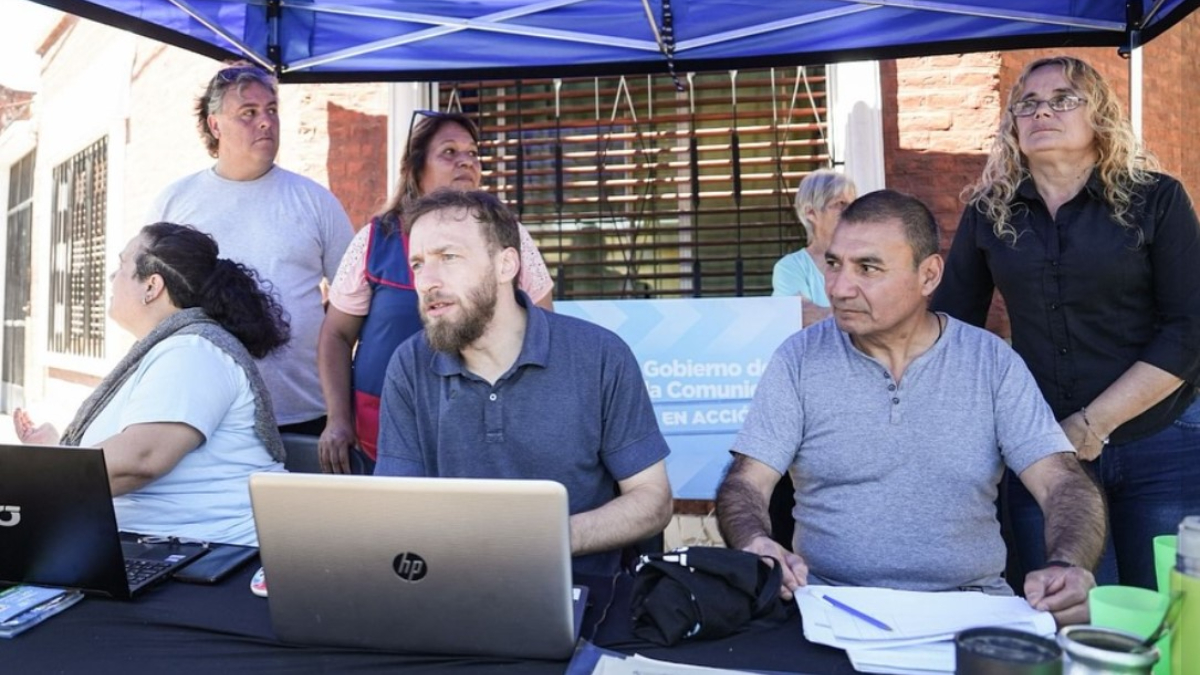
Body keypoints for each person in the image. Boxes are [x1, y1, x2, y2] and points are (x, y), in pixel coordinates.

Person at [716, 190, 1104, 626]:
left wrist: (1068, 564)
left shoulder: (991, 363)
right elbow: (746, 484)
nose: (840, 288)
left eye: (868, 267)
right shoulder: (798, 359)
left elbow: (1063, 485)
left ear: (928, 275)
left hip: (969, 608)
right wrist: (754, 542)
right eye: (833, 263)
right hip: (829, 607)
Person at [932, 56, 1200, 591]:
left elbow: (1189, 329)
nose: (1042, 112)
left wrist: (1091, 424)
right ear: (1012, 125)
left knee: (1164, 619)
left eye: (1062, 99)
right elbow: (951, 328)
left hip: (1162, 438)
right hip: (1044, 448)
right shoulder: (990, 211)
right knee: (1060, 613)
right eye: (1027, 103)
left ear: (1099, 115)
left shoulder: (1156, 199)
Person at [375, 189, 672, 577]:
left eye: (448, 257)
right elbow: (397, 506)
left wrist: (542, 539)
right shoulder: (409, 364)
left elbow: (653, 500)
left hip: (578, 587)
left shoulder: (600, 355)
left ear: (506, 265)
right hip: (452, 585)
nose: (427, 281)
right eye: (417, 264)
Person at [13, 223, 288, 546]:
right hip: (164, 549)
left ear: (152, 286)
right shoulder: (172, 349)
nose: (111, 279)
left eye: (121, 266)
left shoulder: (194, 352)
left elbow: (139, 460)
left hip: (213, 558)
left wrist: (27, 477)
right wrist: (56, 452)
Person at [318, 111, 555, 472]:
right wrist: (338, 419)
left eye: (473, 153)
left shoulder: (508, 237)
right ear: (415, 168)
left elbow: (544, 330)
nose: (466, 161)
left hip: (484, 428)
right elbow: (335, 334)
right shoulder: (375, 240)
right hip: (382, 429)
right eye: (449, 152)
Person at [147, 63, 354, 438]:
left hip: (305, 411)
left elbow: (353, 304)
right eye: (249, 113)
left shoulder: (316, 202)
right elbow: (149, 304)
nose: (265, 122)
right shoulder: (175, 202)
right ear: (215, 125)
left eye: (271, 110)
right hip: (203, 416)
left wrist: (342, 415)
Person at [772, 169, 857, 326]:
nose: (851, 211)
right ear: (811, 212)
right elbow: (801, 318)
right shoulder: (791, 267)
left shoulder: (870, 259)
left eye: (854, 204)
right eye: (840, 204)